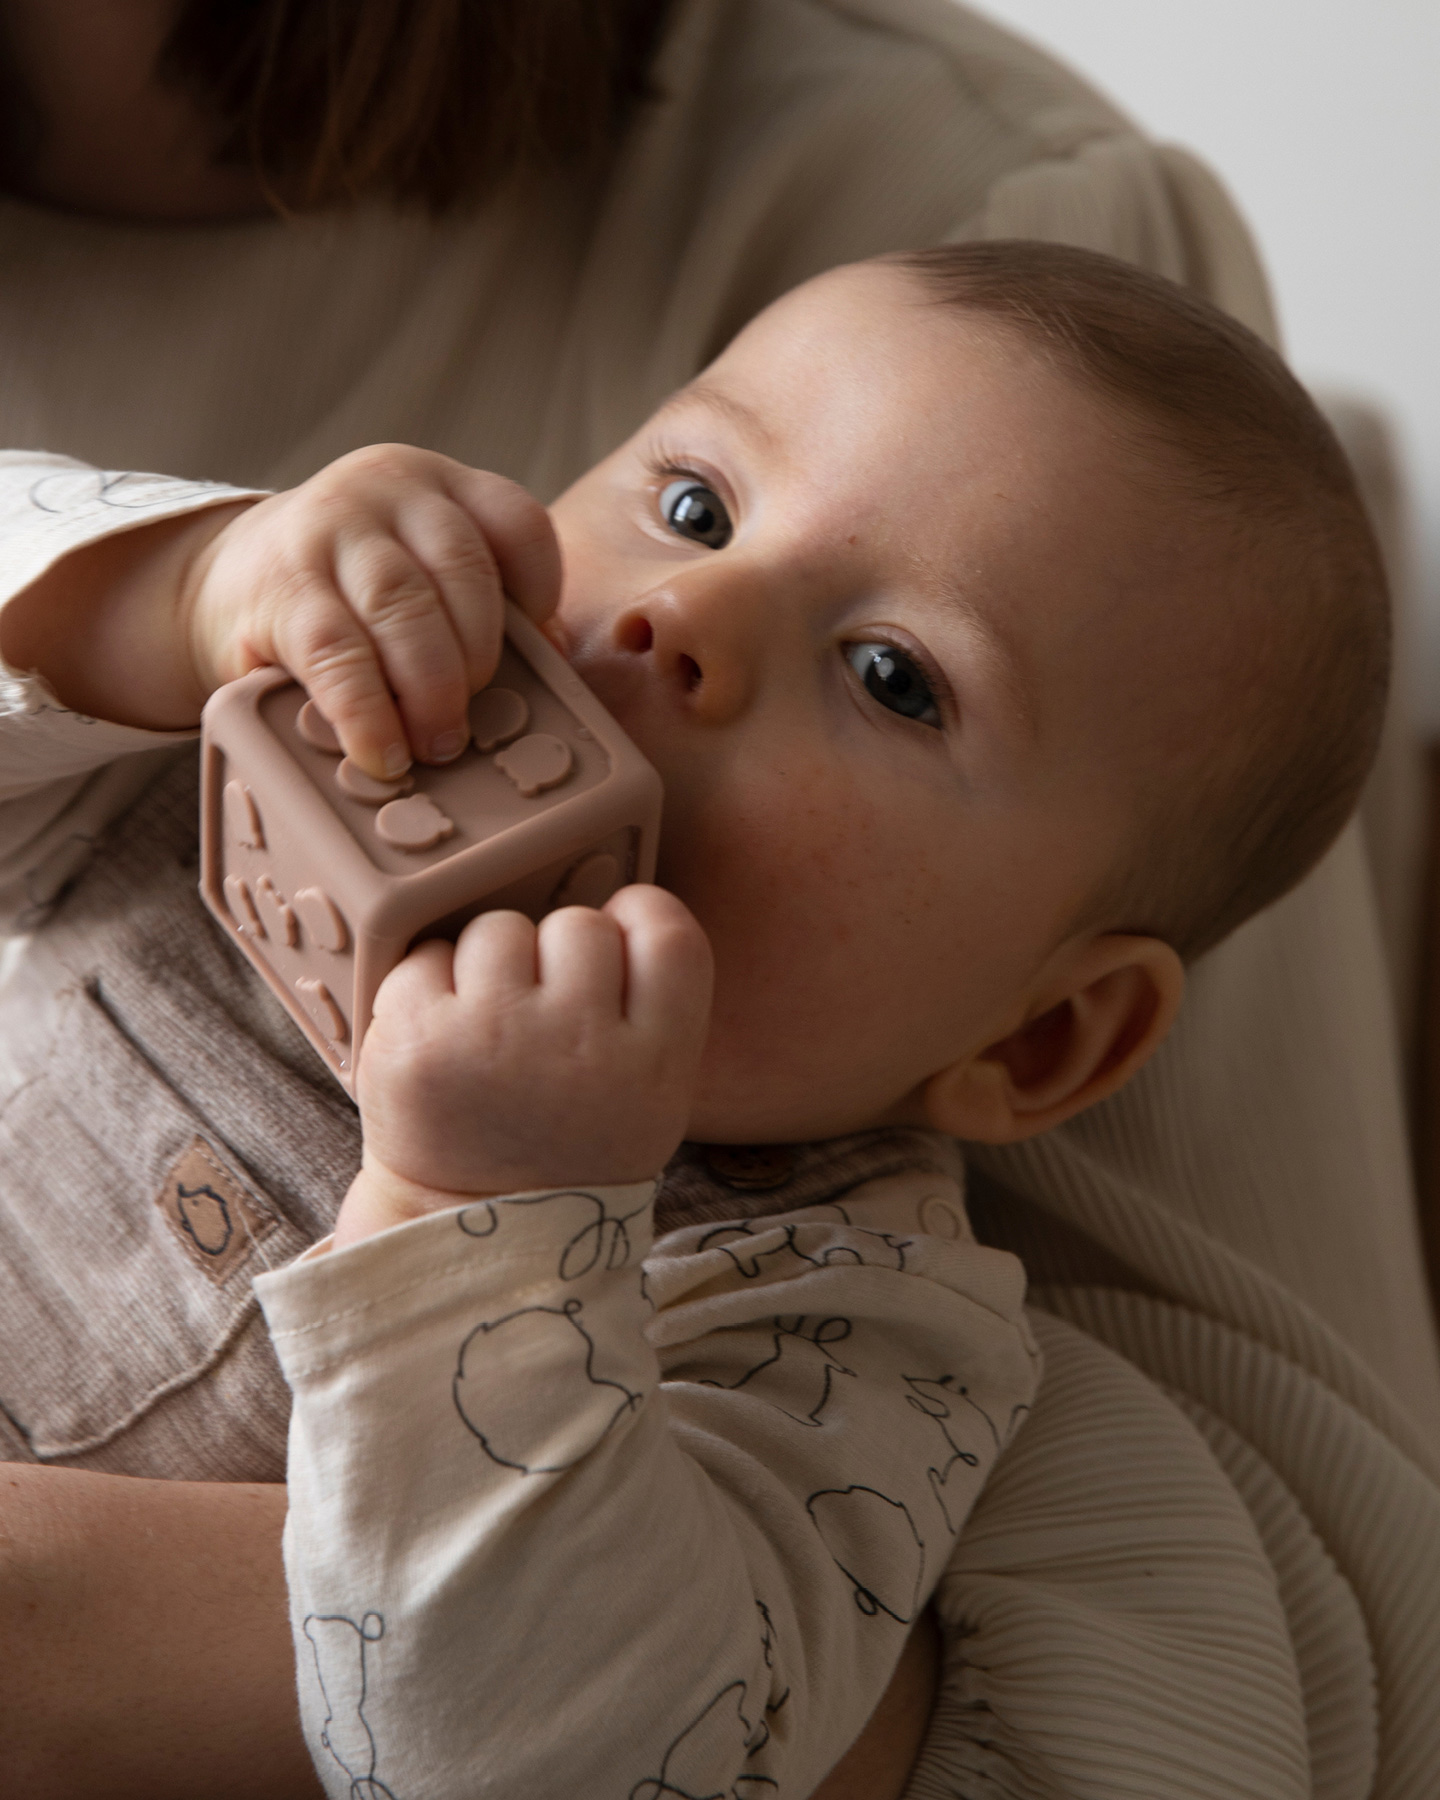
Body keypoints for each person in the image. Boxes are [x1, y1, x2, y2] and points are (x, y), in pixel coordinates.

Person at [0, 2, 1437, 1796]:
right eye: (690, 500)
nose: (692, 615)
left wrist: (486, 1222)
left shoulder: (847, 1345)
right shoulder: (212, 778)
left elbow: (568, 1746)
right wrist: (176, 592)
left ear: (1043, 1034)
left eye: (895, 677)